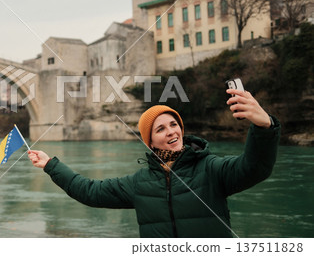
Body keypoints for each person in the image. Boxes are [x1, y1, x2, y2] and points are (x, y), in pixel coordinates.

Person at [28, 89, 280, 237]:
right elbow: (90, 192)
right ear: (150, 142)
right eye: (161, 129)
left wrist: (264, 125)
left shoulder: (211, 168)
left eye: (174, 125)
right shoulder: (139, 183)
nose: (171, 132)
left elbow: (255, 167)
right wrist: (50, 164)